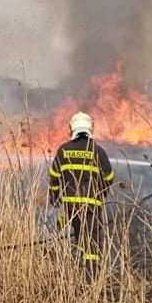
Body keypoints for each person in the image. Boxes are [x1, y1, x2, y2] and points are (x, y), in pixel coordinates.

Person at [48, 112, 115, 268]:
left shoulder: (63, 150)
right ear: (90, 128)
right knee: (92, 240)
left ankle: (77, 268)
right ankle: (90, 275)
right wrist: (101, 193)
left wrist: (55, 198)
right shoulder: (97, 151)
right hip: (91, 205)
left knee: (78, 235)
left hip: (71, 206)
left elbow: (54, 177)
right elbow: (109, 177)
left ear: (72, 128)